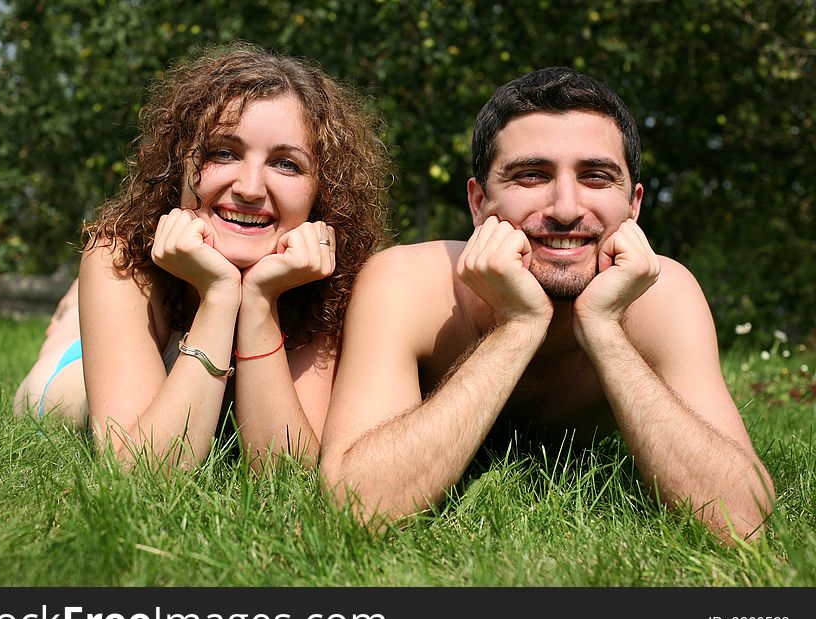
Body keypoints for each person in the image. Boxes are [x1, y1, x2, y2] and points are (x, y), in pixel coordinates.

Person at [320, 67, 774, 544]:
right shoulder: (407, 283)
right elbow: (352, 510)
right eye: (531, 176)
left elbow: (746, 522)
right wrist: (517, 327)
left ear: (633, 206)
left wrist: (603, 328)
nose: (564, 207)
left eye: (596, 177)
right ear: (479, 203)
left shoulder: (666, 296)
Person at [13, 42, 390, 471]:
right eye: (223, 153)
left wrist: (260, 299)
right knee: (47, 380)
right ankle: (70, 322)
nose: (249, 188)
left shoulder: (332, 283)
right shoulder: (120, 257)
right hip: (70, 376)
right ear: (179, 164)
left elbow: (286, 472)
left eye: (286, 164)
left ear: (322, 190)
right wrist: (219, 294)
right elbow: (142, 470)